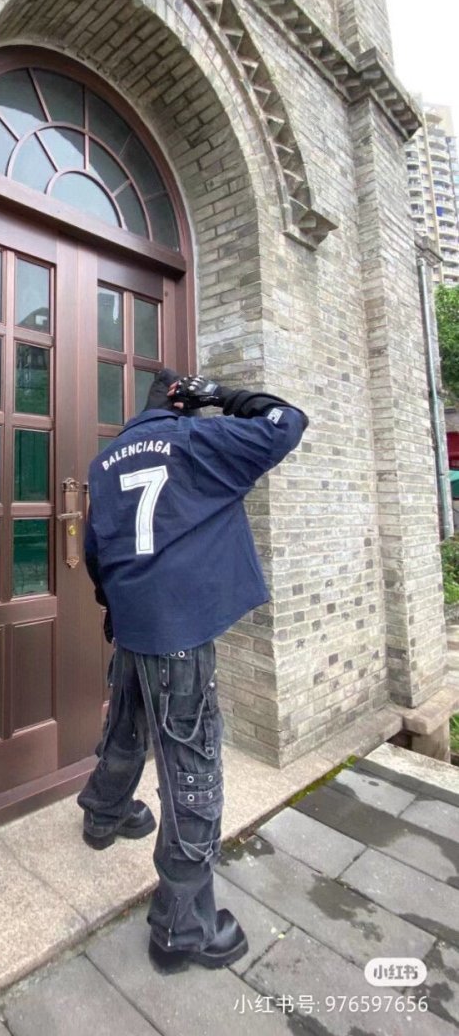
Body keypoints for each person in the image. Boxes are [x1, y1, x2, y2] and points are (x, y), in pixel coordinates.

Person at [77, 368, 308, 972]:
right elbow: (287, 422)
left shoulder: (105, 463)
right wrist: (223, 396)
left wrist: (118, 609)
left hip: (134, 621)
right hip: (180, 632)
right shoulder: (198, 440)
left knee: (126, 726)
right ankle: (183, 927)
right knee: (193, 770)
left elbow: (94, 554)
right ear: (183, 404)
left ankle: (103, 814)